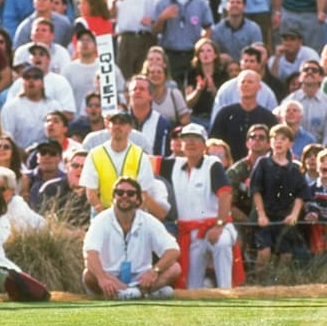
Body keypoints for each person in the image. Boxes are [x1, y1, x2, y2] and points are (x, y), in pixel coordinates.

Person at [159, 123, 242, 289]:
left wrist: (219, 225)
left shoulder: (212, 163)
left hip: (216, 226)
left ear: (204, 144)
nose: (190, 142)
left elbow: (225, 193)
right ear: (180, 144)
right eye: (186, 138)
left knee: (222, 243)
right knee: (192, 286)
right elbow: (143, 160)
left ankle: (227, 292)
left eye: (196, 139)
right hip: (190, 234)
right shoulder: (173, 165)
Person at [82, 176, 180, 300]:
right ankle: (145, 294)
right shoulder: (101, 220)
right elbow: (90, 253)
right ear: (113, 198)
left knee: (175, 268)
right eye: (119, 192)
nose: (124, 196)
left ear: (138, 200)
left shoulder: (149, 221)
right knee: (88, 275)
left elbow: (173, 250)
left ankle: (134, 293)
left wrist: (154, 271)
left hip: (142, 279)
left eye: (131, 193)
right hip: (110, 278)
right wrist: (102, 278)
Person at [250, 123, 310, 281]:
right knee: (264, 253)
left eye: (283, 139)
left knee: (286, 255)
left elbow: (300, 194)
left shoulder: (294, 169)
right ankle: (258, 285)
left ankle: (277, 285)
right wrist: (261, 215)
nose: (278, 142)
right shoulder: (263, 164)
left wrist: (294, 215)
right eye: (275, 139)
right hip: (265, 217)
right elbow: (256, 190)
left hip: (284, 217)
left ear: (290, 143)